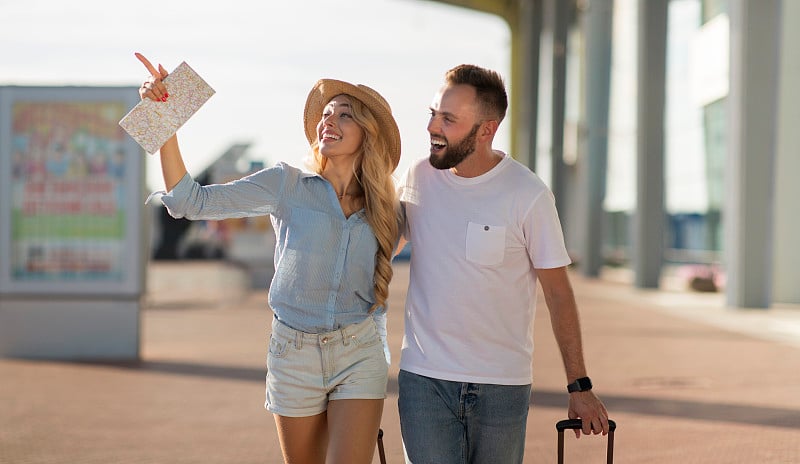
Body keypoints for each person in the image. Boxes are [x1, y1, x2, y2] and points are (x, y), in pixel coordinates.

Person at [135, 53, 401, 464]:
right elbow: (189, 202)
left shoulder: (388, 209)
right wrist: (163, 119)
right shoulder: (285, 184)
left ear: (368, 133)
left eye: (344, 115)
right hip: (292, 355)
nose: (328, 120)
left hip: (359, 354)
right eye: (325, 114)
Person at [396, 64, 610, 463]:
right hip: (424, 380)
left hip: (502, 388)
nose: (432, 127)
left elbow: (558, 293)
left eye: (448, 119)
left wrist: (579, 385)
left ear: (486, 130)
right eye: (433, 113)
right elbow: (377, 248)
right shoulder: (418, 177)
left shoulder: (527, 194)